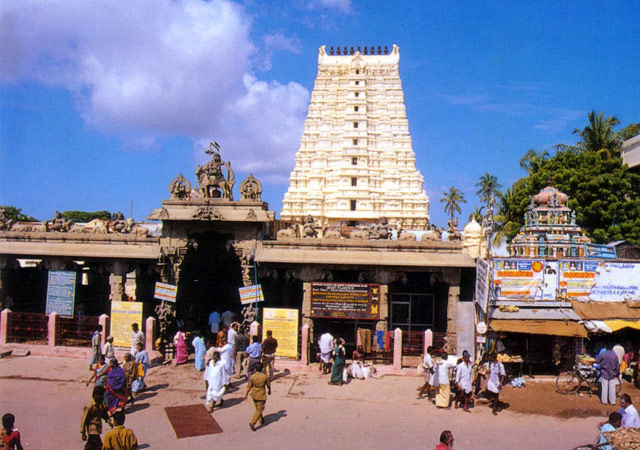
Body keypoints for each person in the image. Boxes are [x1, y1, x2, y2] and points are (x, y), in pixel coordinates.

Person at [243, 362, 271, 431]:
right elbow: (268, 385)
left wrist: (246, 394)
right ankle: (252, 423)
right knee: (259, 409)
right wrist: (269, 391)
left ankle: (261, 420)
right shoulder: (264, 377)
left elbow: (249, 387)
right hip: (261, 394)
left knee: (257, 407)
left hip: (254, 393)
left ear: (255, 369)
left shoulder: (252, 376)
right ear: (262, 369)